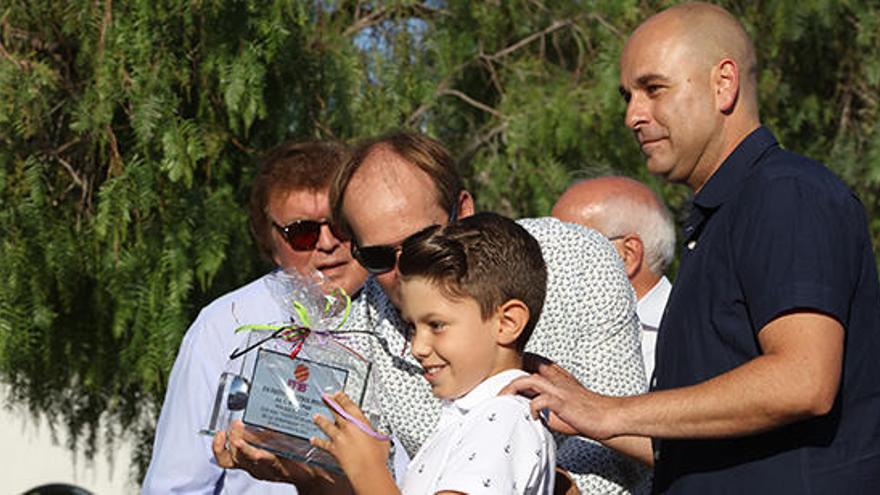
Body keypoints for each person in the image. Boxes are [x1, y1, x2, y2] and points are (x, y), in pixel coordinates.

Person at [504, 2, 880, 493]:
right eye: (627, 96)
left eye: (653, 89)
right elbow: (692, 443)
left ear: (723, 84)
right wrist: (585, 410)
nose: (633, 116)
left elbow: (803, 380)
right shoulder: (720, 220)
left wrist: (611, 410)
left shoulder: (786, 193)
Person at [215, 131, 650, 493]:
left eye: (422, 242)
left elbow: (637, 450)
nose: (405, 272)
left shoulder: (574, 261)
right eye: (379, 257)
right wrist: (305, 474)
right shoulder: (355, 330)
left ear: (463, 210)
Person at [142, 141, 368, 494]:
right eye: (302, 232)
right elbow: (176, 486)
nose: (326, 243)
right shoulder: (224, 326)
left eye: (341, 226)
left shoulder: (410, 313)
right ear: (269, 240)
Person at [311, 212, 556, 494]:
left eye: (436, 325)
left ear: (507, 323)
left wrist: (368, 469)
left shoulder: (503, 419)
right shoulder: (473, 418)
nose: (418, 347)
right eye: (412, 326)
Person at [552, 176, 675, 380]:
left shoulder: (692, 337)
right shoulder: (551, 338)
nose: (547, 264)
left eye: (564, 248)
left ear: (626, 255)